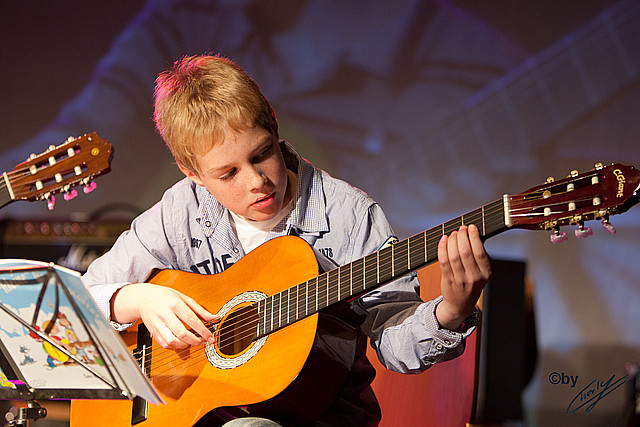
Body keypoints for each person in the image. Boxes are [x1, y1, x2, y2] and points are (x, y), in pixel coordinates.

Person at [82, 54, 492, 426]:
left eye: (262, 154)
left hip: (320, 415)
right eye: (228, 175)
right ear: (192, 173)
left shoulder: (349, 216)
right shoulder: (182, 210)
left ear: (274, 127)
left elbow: (395, 343)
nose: (257, 182)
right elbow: (84, 299)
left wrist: (452, 311)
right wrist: (139, 300)